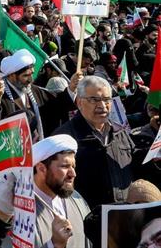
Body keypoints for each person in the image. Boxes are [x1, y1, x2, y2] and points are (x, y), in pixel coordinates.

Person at [53, 75, 135, 209]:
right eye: (94, 100)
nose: (102, 106)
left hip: (123, 218)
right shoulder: (64, 137)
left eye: (107, 100)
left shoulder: (119, 132)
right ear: (79, 102)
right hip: (86, 220)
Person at [32, 135, 91, 248]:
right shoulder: (20, 209)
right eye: (65, 166)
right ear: (41, 168)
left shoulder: (76, 199)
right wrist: (55, 244)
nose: (73, 174)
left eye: (73, 166)